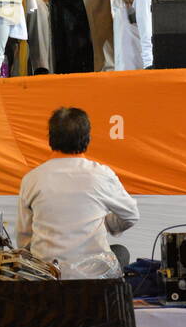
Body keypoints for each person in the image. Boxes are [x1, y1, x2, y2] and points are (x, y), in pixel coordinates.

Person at [17, 107, 139, 279]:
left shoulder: (32, 179)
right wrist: (107, 224)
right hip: (94, 278)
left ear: (50, 138)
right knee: (121, 252)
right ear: (87, 138)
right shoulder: (101, 174)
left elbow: (24, 238)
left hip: (47, 276)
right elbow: (131, 215)